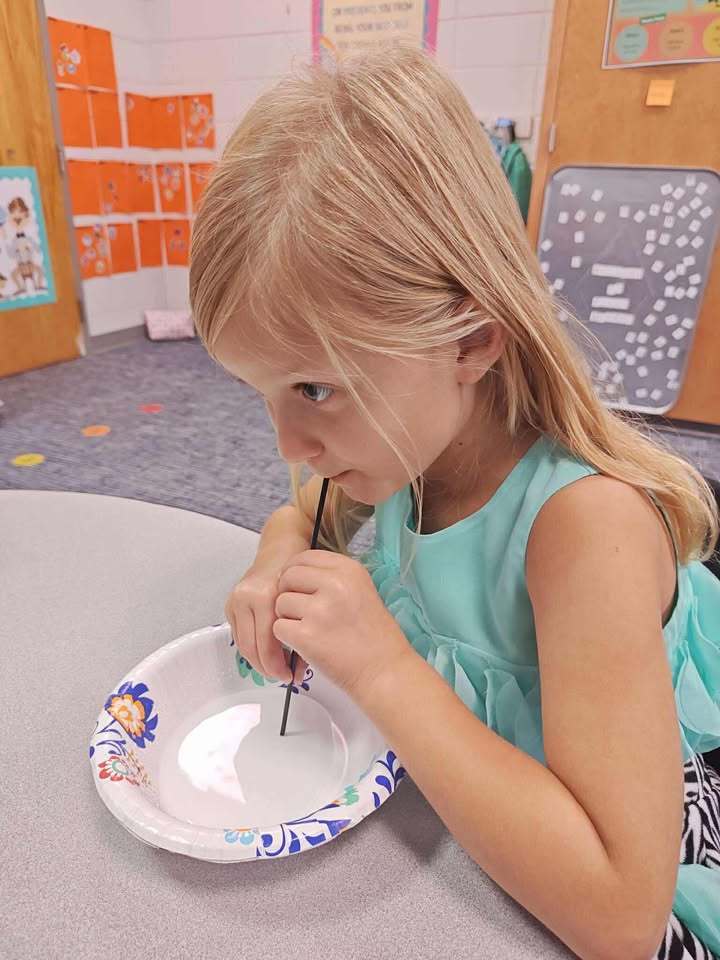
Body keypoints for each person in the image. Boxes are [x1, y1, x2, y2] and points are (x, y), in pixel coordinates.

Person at [189, 46, 720, 960]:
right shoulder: (399, 452)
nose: (286, 444)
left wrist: (389, 671)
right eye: (263, 394)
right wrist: (278, 551)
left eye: (314, 388)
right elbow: (301, 504)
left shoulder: (584, 533)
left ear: (470, 340)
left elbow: (624, 918)